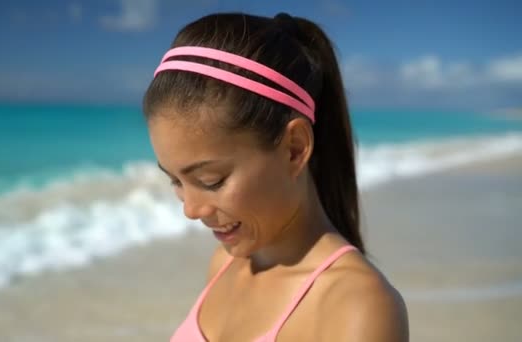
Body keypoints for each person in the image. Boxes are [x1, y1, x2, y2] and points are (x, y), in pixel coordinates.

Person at [143, 12, 409, 342]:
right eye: (176, 182)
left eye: (211, 180)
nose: (191, 210)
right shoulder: (225, 264)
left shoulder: (356, 306)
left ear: (294, 149)